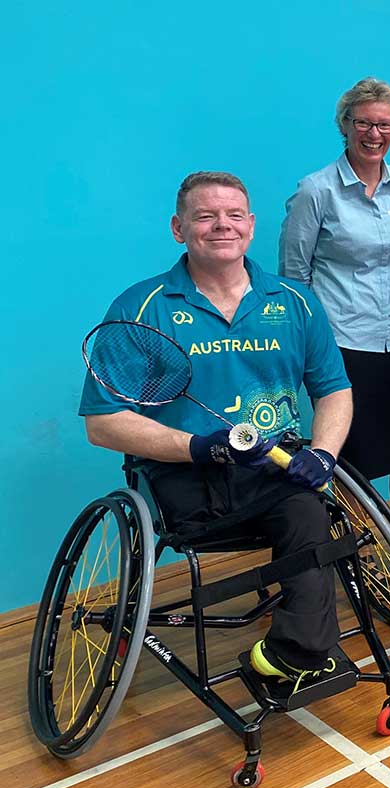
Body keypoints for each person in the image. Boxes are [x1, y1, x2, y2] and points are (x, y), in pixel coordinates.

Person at [80, 171, 353, 686]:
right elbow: (103, 422)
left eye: (233, 215)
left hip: (272, 468)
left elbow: (334, 390)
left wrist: (324, 454)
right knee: (299, 523)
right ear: (179, 228)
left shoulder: (294, 302)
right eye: (205, 216)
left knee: (309, 514)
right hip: (181, 476)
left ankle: (294, 651)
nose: (221, 225)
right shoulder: (139, 309)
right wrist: (200, 446)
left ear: (250, 227)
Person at [278, 77, 390, 569]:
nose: (375, 133)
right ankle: (361, 552)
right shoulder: (316, 190)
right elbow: (293, 276)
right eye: (364, 123)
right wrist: (311, 344)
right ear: (345, 126)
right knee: (351, 457)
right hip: (344, 341)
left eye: (384, 124)